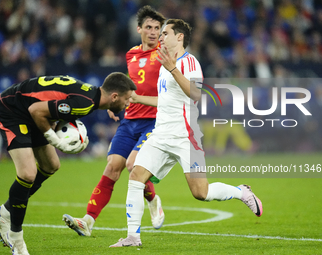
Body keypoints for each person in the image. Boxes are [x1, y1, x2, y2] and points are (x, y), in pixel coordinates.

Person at [110, 19, 263, 248]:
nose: (160, 37)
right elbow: (166, 100)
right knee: (135, 176)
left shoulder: (189, 62)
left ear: (179, 37)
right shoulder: (164, 64)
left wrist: (172, 68)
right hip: (161, 135)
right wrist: (137, 98)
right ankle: (133, 237)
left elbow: (195, 93)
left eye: (165, 33)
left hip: (185, 137)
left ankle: (241, 192)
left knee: (201, 193)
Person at [0, 72, 136, 255]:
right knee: (27, 173)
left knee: (51, 165)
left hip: (30, 109)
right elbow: (36, 110)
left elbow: (52, 100)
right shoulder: (85, 104)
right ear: (114, 97)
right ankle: (16, 238)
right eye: (126, 99)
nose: (128, 104)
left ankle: (5, 213)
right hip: (13, 110)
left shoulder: (91, 95)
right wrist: (57, 142)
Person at [62, 5, 166, 236]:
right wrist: (114, 103)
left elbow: (169, 92)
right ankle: (88, 221)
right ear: (139, 29)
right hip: (129, 120)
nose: (153, 32)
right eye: (148, 27)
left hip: (153, 121)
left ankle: (152, 199)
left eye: (157, 28)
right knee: (111, 168)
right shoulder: (131, 54)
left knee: (132, 165)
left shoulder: (166, 54)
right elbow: (128, 86)